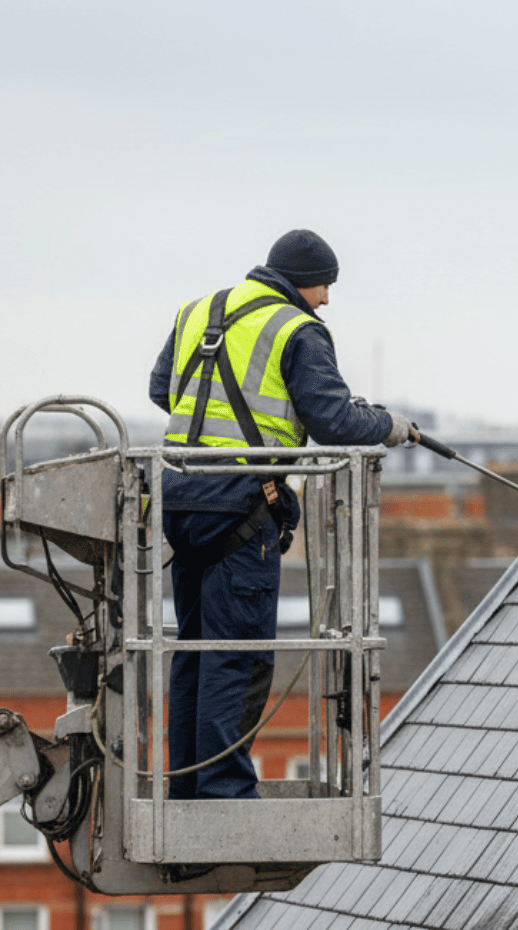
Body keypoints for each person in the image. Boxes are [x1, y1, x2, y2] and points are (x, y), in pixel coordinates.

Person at [148, 228, 409, 799]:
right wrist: (392, 427)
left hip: (181, 496)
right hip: (241, 504)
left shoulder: (202, 311)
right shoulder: (299, 329)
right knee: (235, 657)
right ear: (303, 283)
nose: (327, 300)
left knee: (195, 651)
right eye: (324, 288)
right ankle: (222, 794)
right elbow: (335, 423)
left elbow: (162, 390)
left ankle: (187, 787)